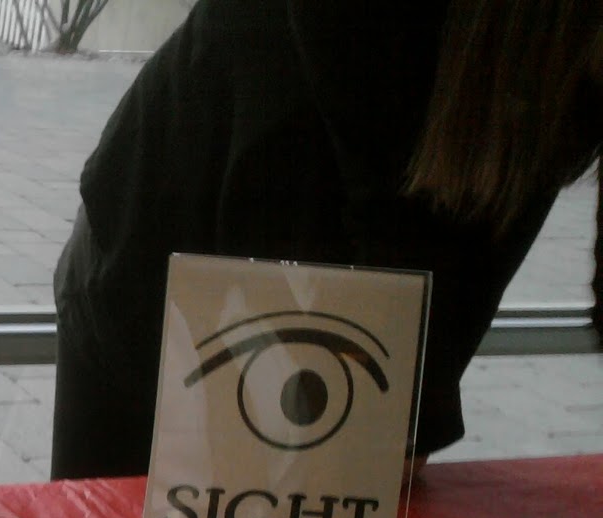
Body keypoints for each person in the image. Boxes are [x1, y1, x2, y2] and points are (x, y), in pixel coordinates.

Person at [50, 0, 603, 480]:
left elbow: (497, 203)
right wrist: (404, 403)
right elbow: (389, 186)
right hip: (179, 222)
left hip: (310, 244)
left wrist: (410, 401)